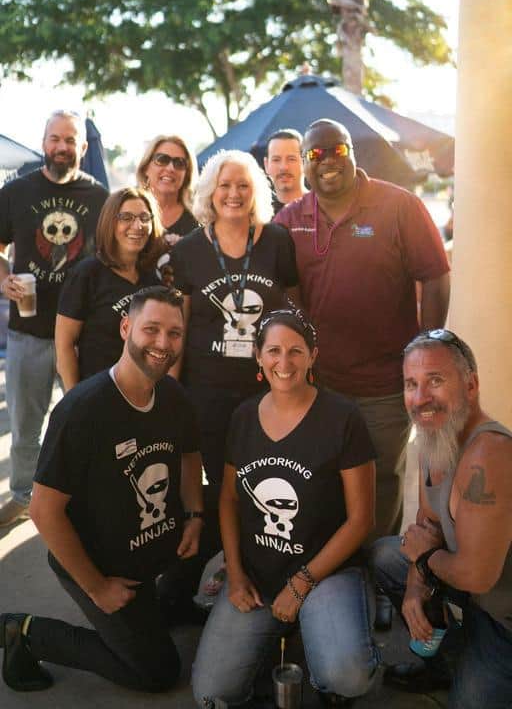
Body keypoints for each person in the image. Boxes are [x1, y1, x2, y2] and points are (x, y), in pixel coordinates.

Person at [0, 286, 203, 693]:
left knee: (223, 510)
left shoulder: (173, 395)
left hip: (149, 536)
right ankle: (26, 632)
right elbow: (43, 511)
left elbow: (189, 454)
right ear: (126, 328)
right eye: (151, 329)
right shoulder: (83, 410)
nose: (163, 343)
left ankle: (172, 601)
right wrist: (97, 587)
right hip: (103, 563)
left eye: (174, 333)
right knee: (157, 673)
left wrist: (195, 515)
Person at [274, 118, 450, 540]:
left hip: (384, 386)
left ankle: (376, 568)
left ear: (352, 152)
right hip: (321, 384)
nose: (327, 160)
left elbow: (435, 275)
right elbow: (286, 294)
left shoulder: (399, 206)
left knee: (381, 482)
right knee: (323, 479)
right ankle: (336, 567)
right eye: (315, 154)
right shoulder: (290, 219)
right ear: (304, 164)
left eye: (337, 149)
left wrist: (425, 350)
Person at [192, 309, 379, 707]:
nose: (284, 362)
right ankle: (285, 639)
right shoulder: (243, 417)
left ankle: (324, 638)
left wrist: (302, 583)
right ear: (258, 356)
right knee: (212, 692)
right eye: (274, 351)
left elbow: (362, 519)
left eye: (296, 351)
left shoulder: (343, 418)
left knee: (346, 676)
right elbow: (229, 499)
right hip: (258, 574)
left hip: (326, 573)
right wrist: (236, 573)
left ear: (313, 356)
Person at [371, 329, 512, 707]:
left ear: (471, 386)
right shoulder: (434, 435)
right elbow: (427, 524)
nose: (420, 398)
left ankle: (468, 657)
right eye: (411, 384)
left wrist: (425, 560)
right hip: (473, 597)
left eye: (435, 380)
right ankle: (445, 661)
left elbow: (477, 575)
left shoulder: (489, 453)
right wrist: (415, 587)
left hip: (503, 619)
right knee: (386, 556)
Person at [0, 110, 108, 527]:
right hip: (28, 331)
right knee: (25, 426)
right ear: (44, 142)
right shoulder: (16, 192)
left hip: (81, 336)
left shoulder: (99, 197)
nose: (62, 147)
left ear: (83, 147)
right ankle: (22, 495)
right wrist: (5, 279)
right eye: (55, 138)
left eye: (70, 140)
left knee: (84, 424)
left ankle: (84, 497)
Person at [172, 149, 299, 491]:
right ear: (210, 192)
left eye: (243, 185)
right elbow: (179, 327)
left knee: (267, 477)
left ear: (255, 191)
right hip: (207, 392)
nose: (234, 194)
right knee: (220, 481)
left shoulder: (277, 241)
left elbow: (294, 314)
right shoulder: (187, 251)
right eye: (224, 185)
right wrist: (171, 390)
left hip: (266, 388)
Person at [55, 187, 163, 391]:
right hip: (97, 393)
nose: (137, 225)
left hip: (143, 394)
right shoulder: (87, 274)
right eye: (126, 217)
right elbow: (64, 346)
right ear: (110, 222)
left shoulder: (153, 279)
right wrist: (75, 399)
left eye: (144, 217)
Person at [136, 134, 199, 285]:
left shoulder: (199, 221)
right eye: (162, 160)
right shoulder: (128, 215)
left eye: (179, 163)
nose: (170, 168)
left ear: (187, 174)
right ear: (146, 168)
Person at [263, 129, 306, 214]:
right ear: (266, 165)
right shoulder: (259, 214)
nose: (284, 167)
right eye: (276, 160)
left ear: (305, 162)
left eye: (291, 159)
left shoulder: (322, 206)